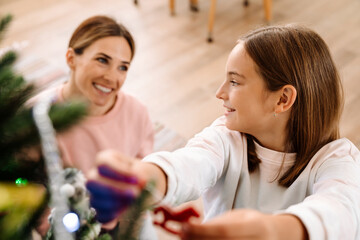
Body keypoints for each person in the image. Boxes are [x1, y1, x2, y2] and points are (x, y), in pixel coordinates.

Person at [86, 24, 360, 240]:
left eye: (234, 81)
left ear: (282, 100)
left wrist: (274, 230)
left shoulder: (338, 160)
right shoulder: (227, 137)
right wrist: (146, 176)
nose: (220, 92)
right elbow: (189, 163)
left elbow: (340, 212)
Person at [34, 15, 156, 238]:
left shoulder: (137, 112)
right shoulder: (38, 115)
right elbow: (25, 185)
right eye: (102, 60)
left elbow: (144, 174)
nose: (112, 77)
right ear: (71, 58)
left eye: (123, 67)